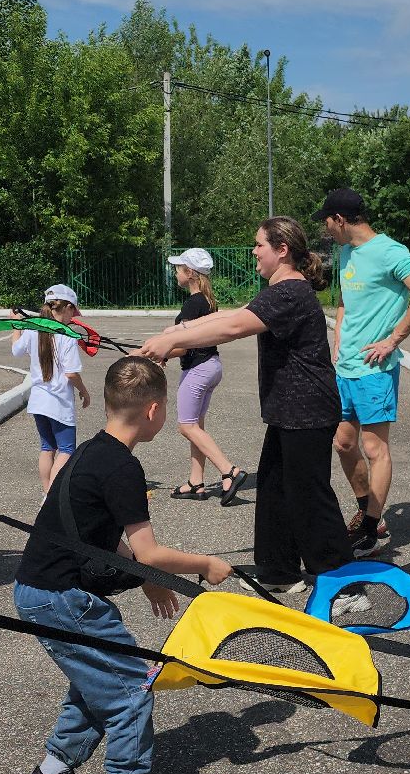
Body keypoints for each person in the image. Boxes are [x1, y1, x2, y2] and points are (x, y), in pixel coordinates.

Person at [12, 356, 231, 774]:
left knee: (98, 682)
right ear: (153, 411)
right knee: (132, 684)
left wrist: (145, 573)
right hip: (65, 598)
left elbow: (96, 534)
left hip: (37, 589)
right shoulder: (125, 470)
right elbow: (149, 551)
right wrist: (205, 565)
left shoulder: (89, 453)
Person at [136, 218, 363, 613]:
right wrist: (175, 334)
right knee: (275, 490)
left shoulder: (291, 291)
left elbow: (234, 328)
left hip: (307, 411)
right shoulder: (279, 290)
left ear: (282, 250)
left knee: (309, 496)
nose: (254, 252)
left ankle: (344, 586)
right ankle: (279, 570)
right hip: (288, 411)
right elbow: (227, 317)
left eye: (259, 245)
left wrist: (172, 339)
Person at [315, 188, 410, 556]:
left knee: (374, 447)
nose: (326, 228)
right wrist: (338, 338)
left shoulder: (389, 251)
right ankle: (369, 512)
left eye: (327, 220)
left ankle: (369, 528)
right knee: (343, 442)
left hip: (375, 368)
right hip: (346, 367)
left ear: (340, 219)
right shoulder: (346, 252)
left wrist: (393, 339)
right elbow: (343, 300)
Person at [162, 247, 244, 504]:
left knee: (186, 426)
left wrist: (161, 354)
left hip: (197, 368)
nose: (175, 272)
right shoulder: (209, 301)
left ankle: (229, 471)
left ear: (190, 273)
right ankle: (196, 481)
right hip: (211, 365)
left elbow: (185, 343)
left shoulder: (192, 303)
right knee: (195, 426)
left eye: (178, 268)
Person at [12, 284, 90, 492]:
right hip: (59, 403)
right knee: (66, 450)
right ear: (66, 308)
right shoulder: (67, 336)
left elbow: (16, 351)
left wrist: (16, 327)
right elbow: (71, 373)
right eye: (73, 310)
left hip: (38, 401)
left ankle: (46, 491)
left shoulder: (32, 329)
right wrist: (84, 391)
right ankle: (54, 495)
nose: (73, 316)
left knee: (47, 448)